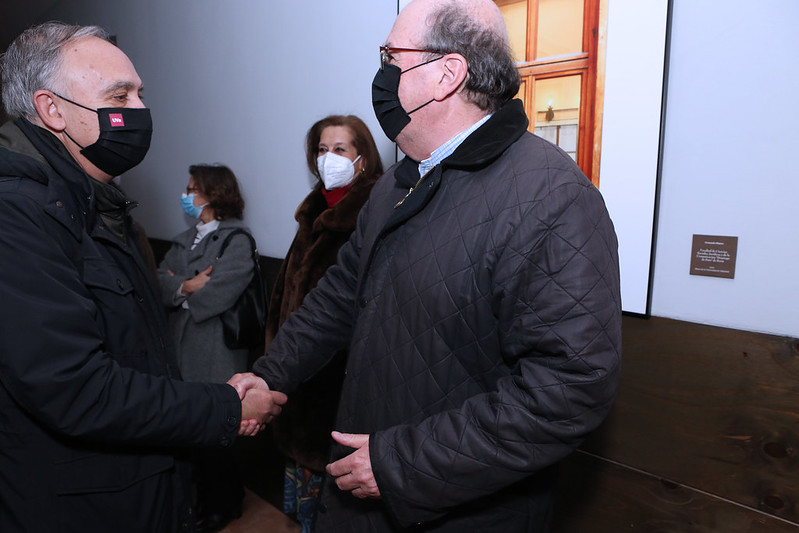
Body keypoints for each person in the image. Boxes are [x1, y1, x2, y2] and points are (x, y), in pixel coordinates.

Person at [233, 0, 623, 530]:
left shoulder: (552, 197)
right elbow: (338, 298)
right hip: (358, 494)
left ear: (447, 74)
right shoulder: (395, 185)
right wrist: (271, 376)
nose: (382, 74)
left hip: (457, 510)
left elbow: (568, 388)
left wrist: (402, 463)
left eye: (391, 57)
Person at [0, 22, 284, 532]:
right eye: (119, 96)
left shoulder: (105, 212)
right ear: (52, 110)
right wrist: (227, 407)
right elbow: (76, 389)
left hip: (146, 489)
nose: (139, 110)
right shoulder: (17, 215)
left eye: (139, 94)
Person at [266, 115, 383, 532]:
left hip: (340, 383)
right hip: (297, 375)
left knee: (336, 504)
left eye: (339, 149)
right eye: (321, 149)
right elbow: (288, 289)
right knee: (303, 498)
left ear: (362, 159)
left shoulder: (375, 212)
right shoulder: (313, 211)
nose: (327, 158)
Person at [157, 164, 255, 532]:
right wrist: (188, 285)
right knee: (188, 431)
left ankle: (224, 504)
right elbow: (158, 281)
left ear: (214, 193)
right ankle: (201, 500)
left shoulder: (237, 240)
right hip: (180, 348)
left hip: (215, 351)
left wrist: (180, 288)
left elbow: (221, 291)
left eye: (192, 189)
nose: (186, 196)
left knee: (215, 433)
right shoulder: (184, 238)